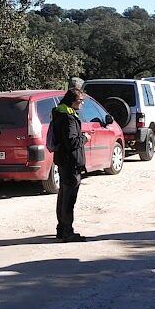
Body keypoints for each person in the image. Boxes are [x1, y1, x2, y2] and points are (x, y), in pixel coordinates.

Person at [51, 88, 90, 242]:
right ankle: (67, 232)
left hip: (63, 160)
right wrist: (84, 137)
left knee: (63, 196)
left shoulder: (60, 113)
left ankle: (61, 229)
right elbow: (72, 141)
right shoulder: (68, 117)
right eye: (80, 100)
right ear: (73, 100)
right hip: (70, 162)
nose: (82, 103)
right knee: (69, 199)